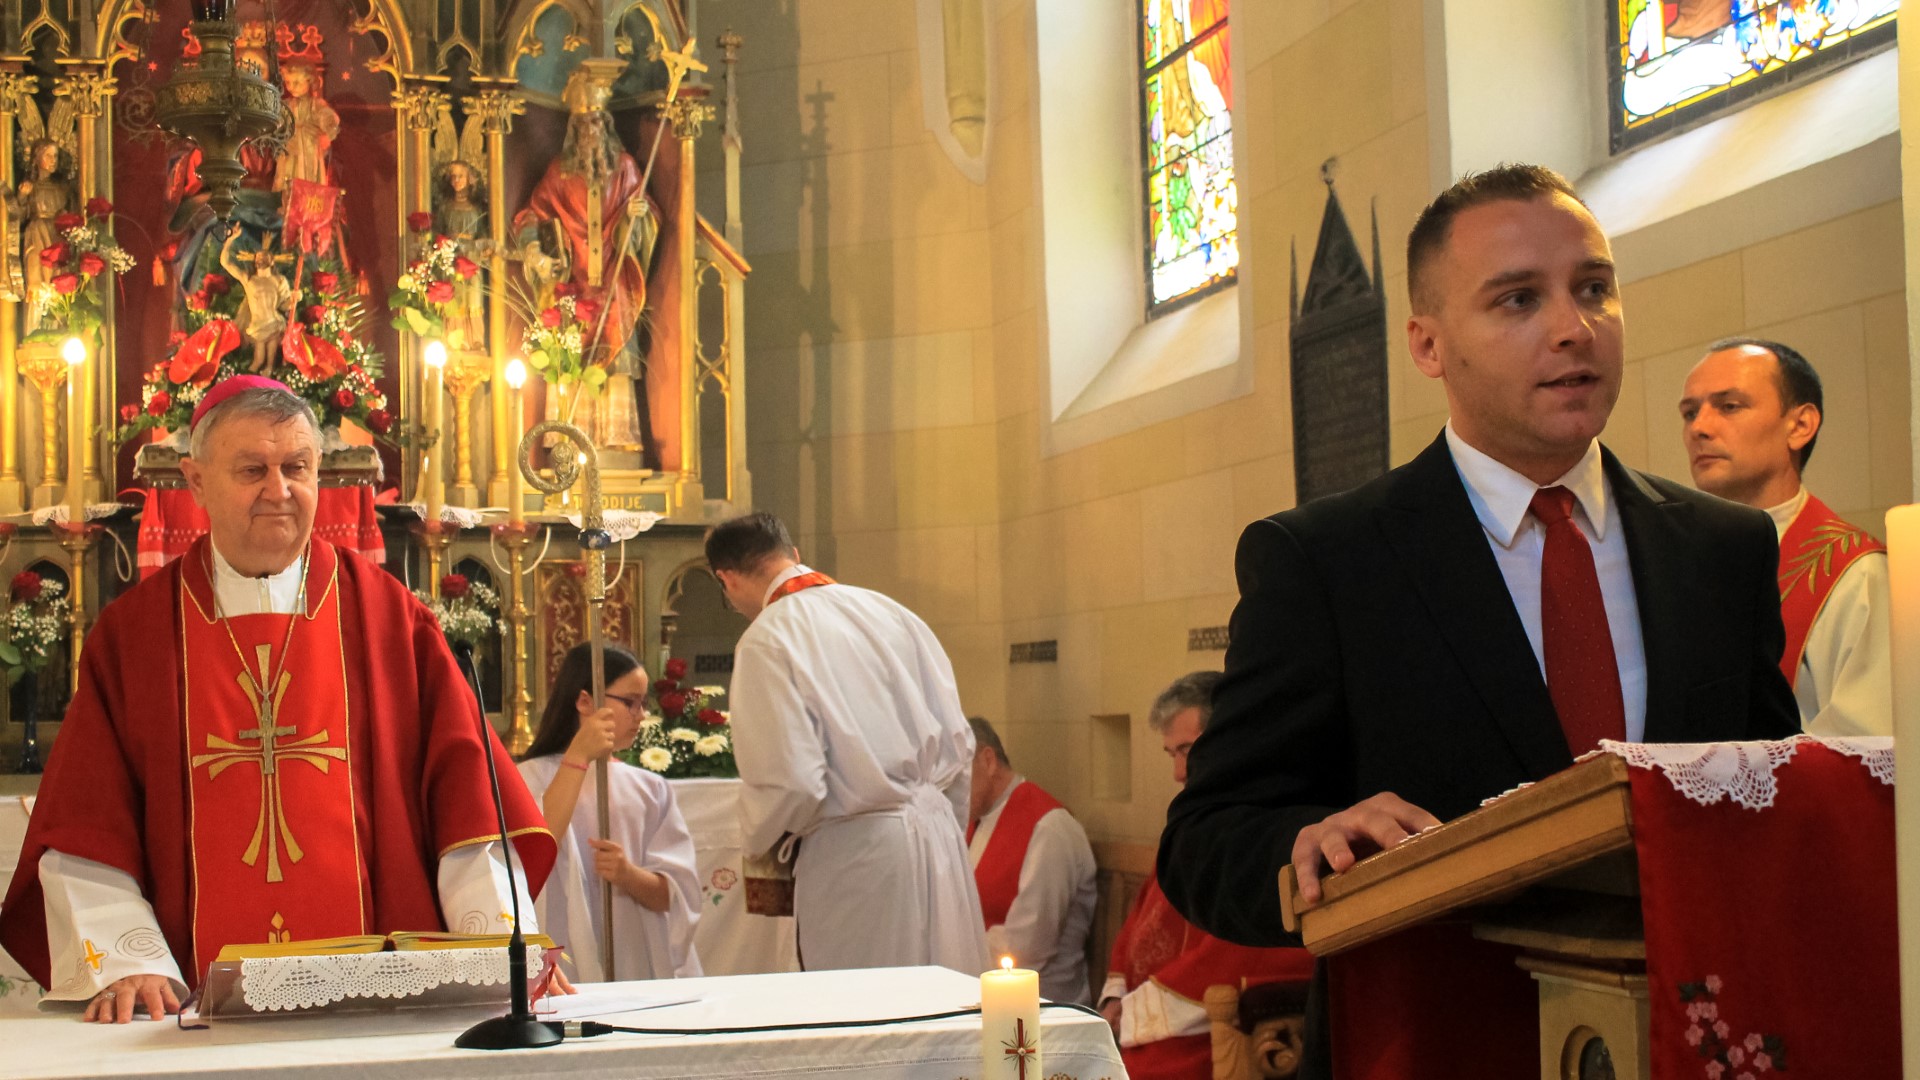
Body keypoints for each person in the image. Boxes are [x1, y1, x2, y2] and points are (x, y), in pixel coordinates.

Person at [1157, 165, 1799, 1074]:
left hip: (1686, 1040)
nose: (1574, 327)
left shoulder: (1722, 550)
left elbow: (1771, 798)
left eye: (1594, 289)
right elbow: (1206, 838)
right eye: (1518, 299)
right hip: (1435, 1044)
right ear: (1428, 345)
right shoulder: (1329, 561)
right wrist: (1305, 842)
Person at [0, 377, 555, 1023]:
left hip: (383, 1001)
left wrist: (501, 952)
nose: (279, 489)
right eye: (252, 470)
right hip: (185, 1009)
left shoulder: (391, 621)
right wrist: (130, 961)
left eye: (297, 467)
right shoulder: (135, 636)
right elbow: (87, 823)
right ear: (196, 481)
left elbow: (468, 804)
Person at [711, 511, 988, 975]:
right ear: (793, 554)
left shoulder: (767, 637)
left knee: (867, 1005)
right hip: (938, 838)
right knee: (946, 996)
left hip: (858, 857)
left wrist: (756, 840)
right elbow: (961, 747)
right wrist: (947, 835)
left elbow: (792, 783)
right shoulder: (892, 612)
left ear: (727, 579)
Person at [1101, 672, 1316, 1079]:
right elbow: (1140, 919)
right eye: (1171, 754)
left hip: (1212, 1032)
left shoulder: (1262, 820)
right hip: (1152, 1025)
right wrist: (1116, 996)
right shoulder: (1192, 828)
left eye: (1187, 750)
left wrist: (1134, 1012)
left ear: (1226, 741)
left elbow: (1241, 952)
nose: (1178, 773)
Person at [1680, 338, 1891, 736]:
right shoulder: (1677, 563)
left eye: (1729, 406)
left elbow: (1867, 747)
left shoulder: (1857, 579)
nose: (1699, 428)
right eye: (1690, 413)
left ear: (1800, 425)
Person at [516, 642, 703, 982]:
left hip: (632, 959)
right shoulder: (529, 778)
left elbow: (675, 896)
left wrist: (628, 874)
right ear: (585, 701)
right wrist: (578, 757)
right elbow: (530, 855)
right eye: (630, 702)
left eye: (644, 703)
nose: (641, 715)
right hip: (558, 956)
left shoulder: (650, 789)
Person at [510, 68, 659, 456]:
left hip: (612, 282)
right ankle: (569, 441)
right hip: (571, 286)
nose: (589, 130)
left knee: (617, 355)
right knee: (569, 355)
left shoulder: (624, 167)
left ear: (605, 125)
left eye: (595, 122)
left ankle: (616, 442)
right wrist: (534, 250)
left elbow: (643, 221)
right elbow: (531, 215)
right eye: (582, 124)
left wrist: (636, 216)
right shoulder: (559, 172)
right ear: (573, 130)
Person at [965, 717, 1095, 1003]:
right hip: (982, 994)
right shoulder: (975, 822)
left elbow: (1027, 947)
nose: (950, 791)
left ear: (988, 761)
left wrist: (950, 946)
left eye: (955, 776)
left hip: (1045, 1006)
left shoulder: (1049, 827)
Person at [8, 138, 78, 329]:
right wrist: (22, 196)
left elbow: (73, 211)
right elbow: (17, 218)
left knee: (57, 279)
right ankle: (34, 328)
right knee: (37, 282)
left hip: (57, 236)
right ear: (37, 158)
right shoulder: (30, 186)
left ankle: (58, 327)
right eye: (48, 155)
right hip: (36, 236)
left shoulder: (63, 187)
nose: (53, 160)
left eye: (55, 156)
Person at [219, 230, 294, 373]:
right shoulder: (249, 280)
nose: (261, 259)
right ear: (254, 262)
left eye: (264, 257)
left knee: (270, 362)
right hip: (258, 325)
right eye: (258, 257)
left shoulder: (279, 280)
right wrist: (230, 239)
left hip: (274, 322)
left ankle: (268, 374)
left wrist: (293, 300)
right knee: (258, 360)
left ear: (272, 261)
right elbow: (225, 262)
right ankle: (247, 378)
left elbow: (284, 305)